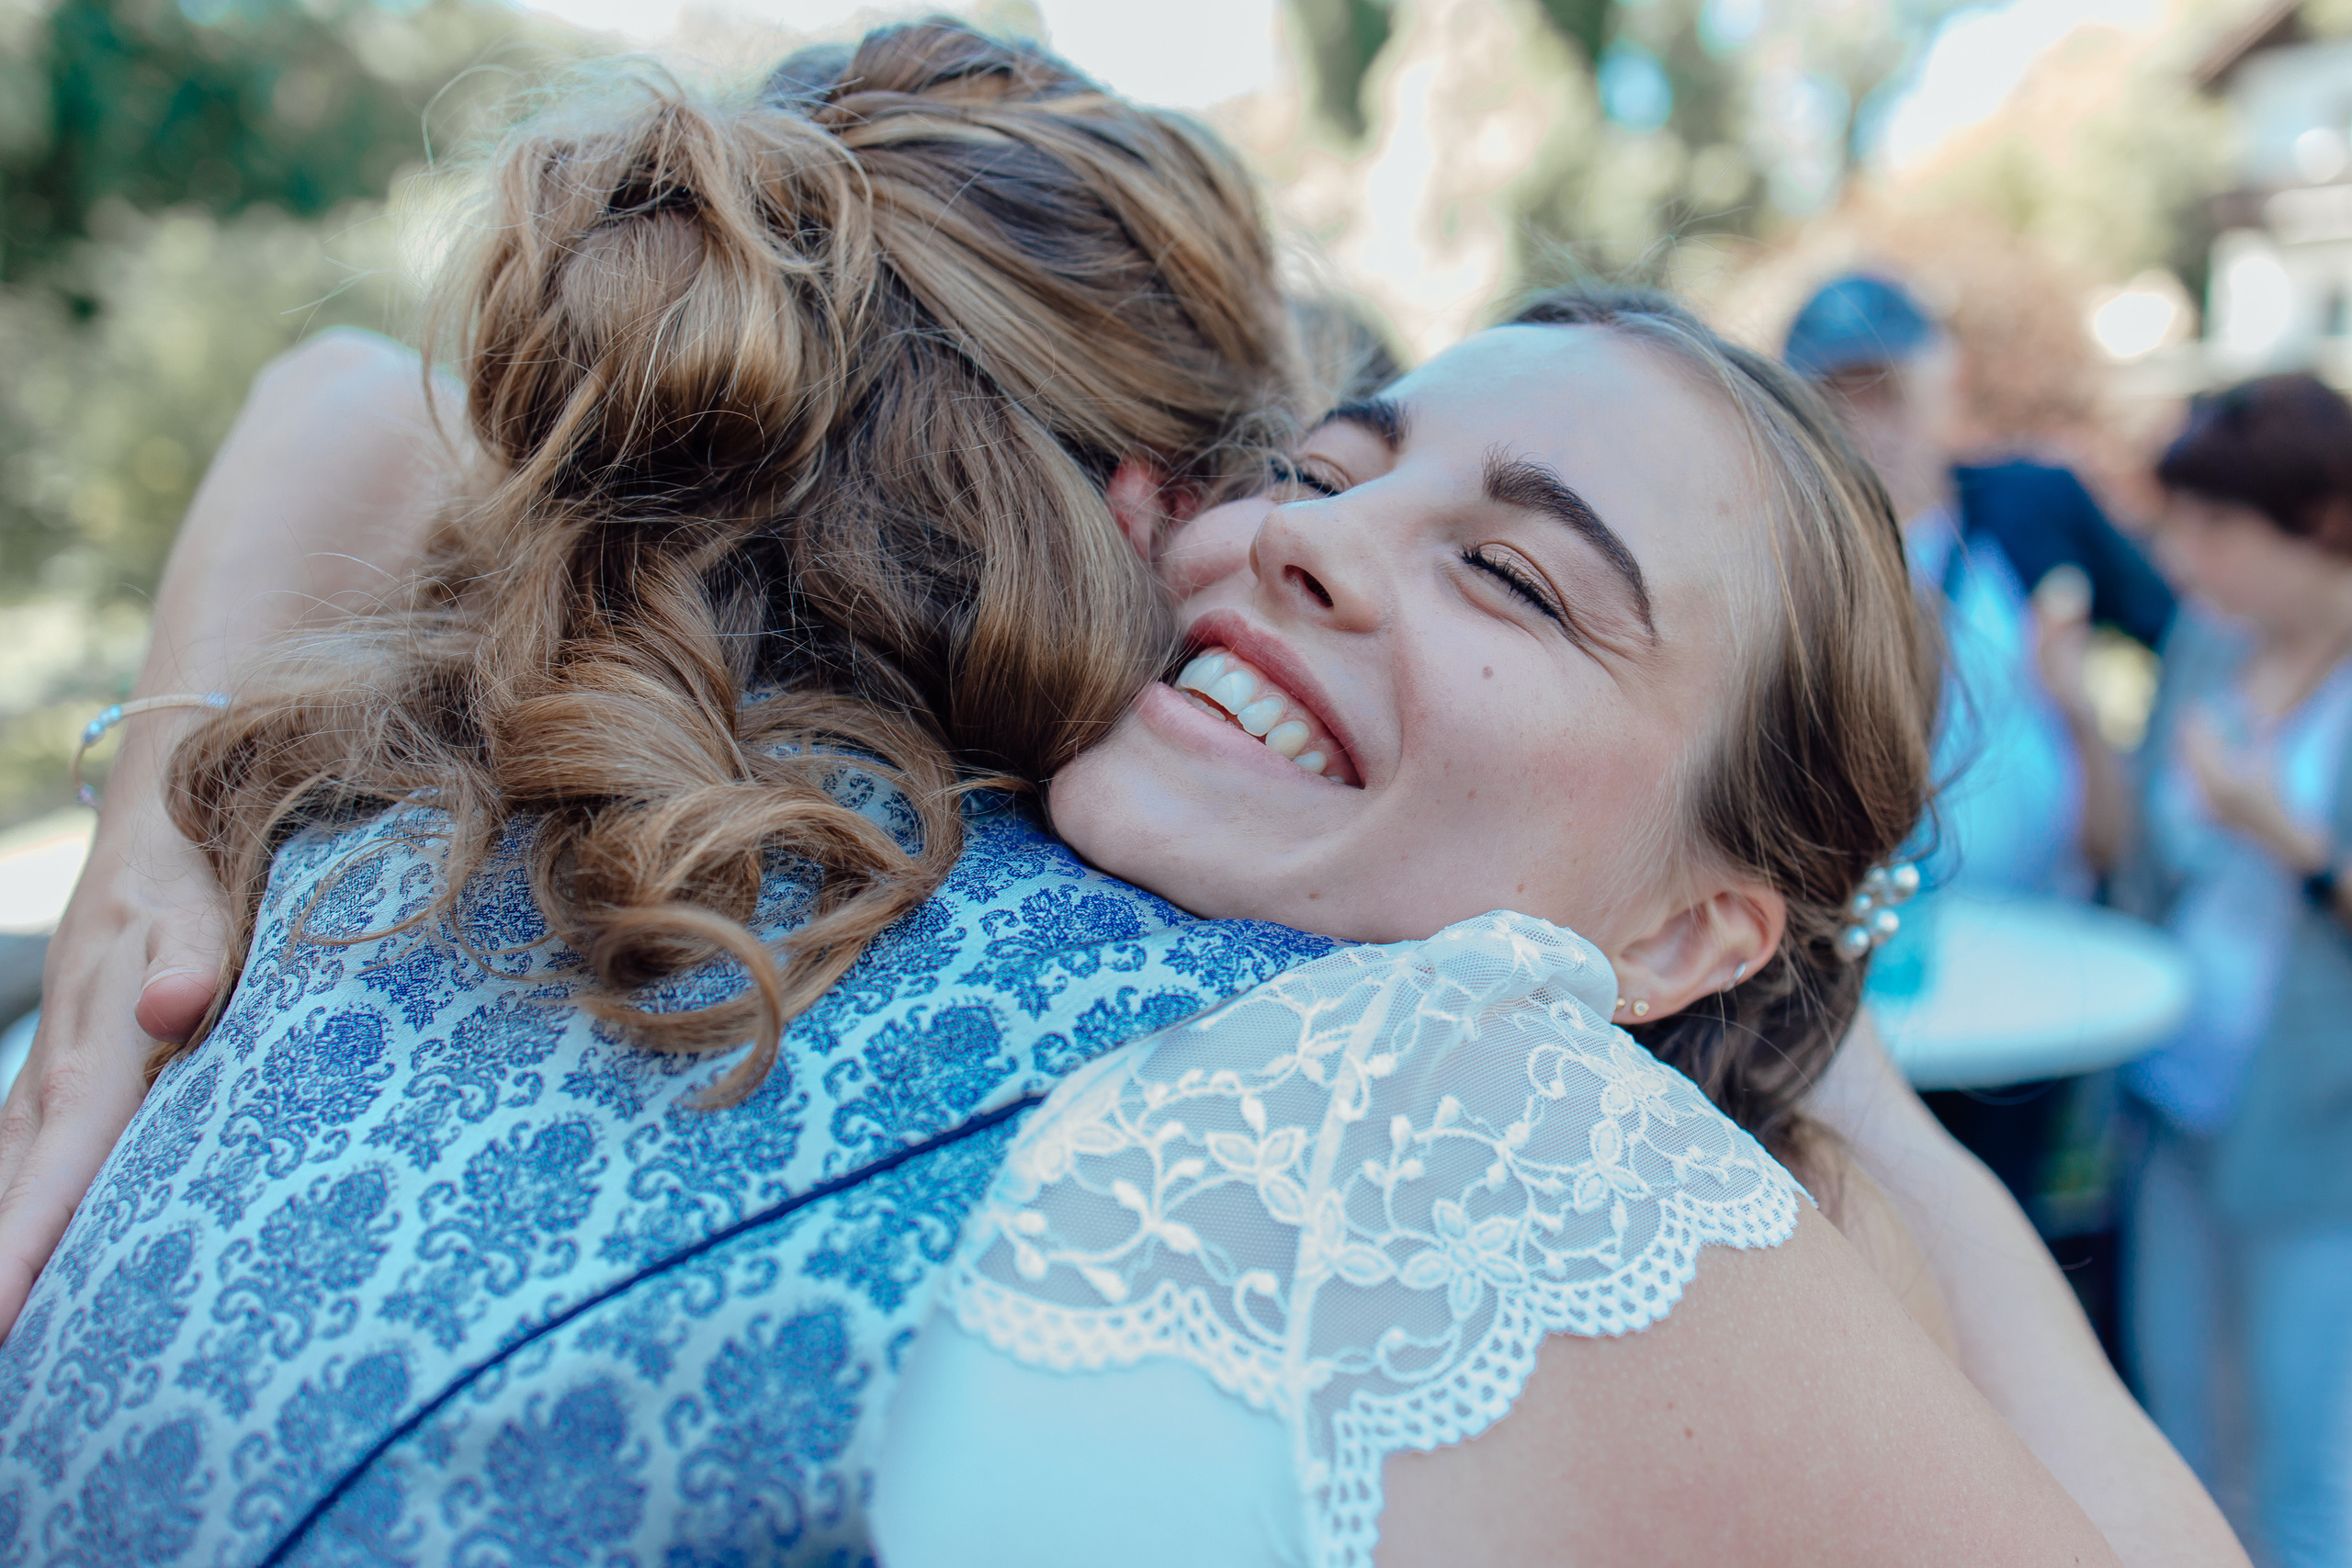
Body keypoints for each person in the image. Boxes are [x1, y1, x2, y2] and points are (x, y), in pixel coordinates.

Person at [0, 52, 2239, 1568]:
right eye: (1321, 468)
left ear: (1698, 930)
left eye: (1510, 574)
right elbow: (373, 406)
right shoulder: (869, 777)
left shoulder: (1472, 1126)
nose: (1318, 542)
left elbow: (350, 406)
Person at [1785, 270, 2178, 1209]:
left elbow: (2180, 634)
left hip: (2039, 941)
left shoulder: (2032, 503)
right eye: (1838, 395)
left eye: (1884, 390)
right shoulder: (1794, 545)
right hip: (1864, 969)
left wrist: (2092, 715)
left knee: (2014, 1201)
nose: (1866, 421)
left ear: (1938, 386)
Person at [2091, 373, 2352, 1568]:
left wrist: (2291, 841)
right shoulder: (2204, 646)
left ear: (2320, 525)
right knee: (2178, 1432)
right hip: (2175, 1090)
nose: (2183, 556)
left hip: (2316, 1124)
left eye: (2216, 528)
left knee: (2304, 1467)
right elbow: (2145, 858)